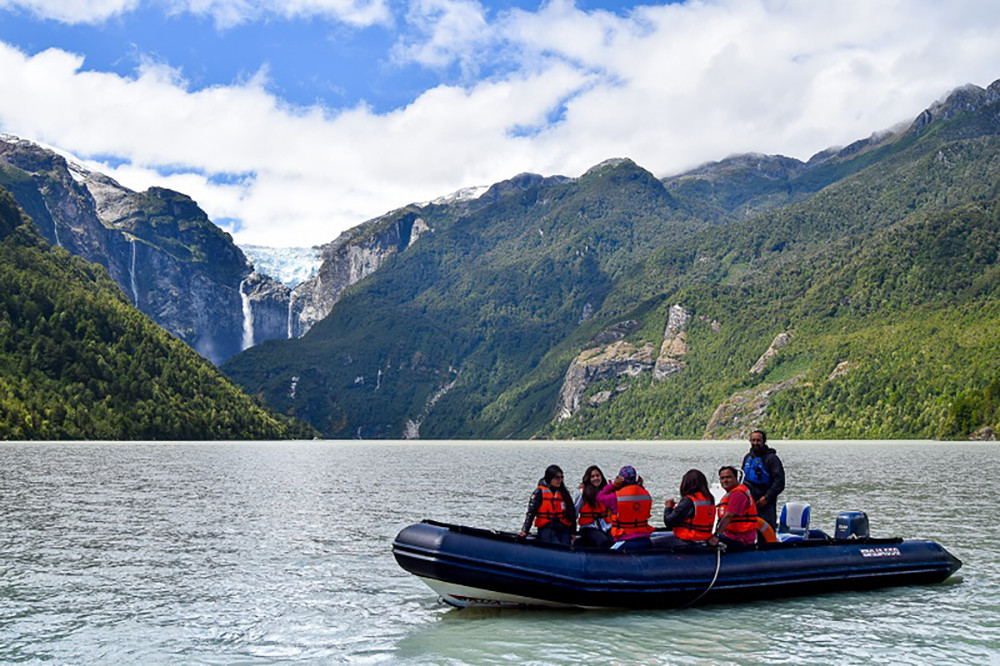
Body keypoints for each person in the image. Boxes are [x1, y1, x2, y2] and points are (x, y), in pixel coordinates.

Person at [597, 465, 653, 550]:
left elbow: (599, 497)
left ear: (621, 480)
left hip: (626, 541)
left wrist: (613, 485)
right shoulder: (646, 495)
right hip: (645, 540)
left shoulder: (616, 497)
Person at [519, 464, 576, 545]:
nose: (559, 480)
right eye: (557, 478)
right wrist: (525, 530)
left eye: (561, 477)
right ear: (550, 477)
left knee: (566, 546)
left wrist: (573, 531)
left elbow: (571, 513)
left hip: (562, 528)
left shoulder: (564, 493)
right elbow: (531, 513)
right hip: (546, 528)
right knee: (556, 545)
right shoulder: (539, 492)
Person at [741, 429, 785, 529]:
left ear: (763, 442)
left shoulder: (772, 459)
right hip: (749, 502)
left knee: (767, 529)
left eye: (758, 441)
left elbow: (779, 482)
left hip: (766, 502)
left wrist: (766, 498)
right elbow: (742, 478)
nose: (755, 443)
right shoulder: (747, 458)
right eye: (753, 440)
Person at [662, 469, 716, 545]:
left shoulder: (689, 500)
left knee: (653, 542)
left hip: (689, 539)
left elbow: (669, 522)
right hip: (705, 537)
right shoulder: (710, 499)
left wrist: (668, 507)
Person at [709, 465, 758, 548]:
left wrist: (716, 536)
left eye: (728, 477)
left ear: (736, 478)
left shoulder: (738, 494)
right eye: (722, 478)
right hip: (734, 535)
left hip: (741, 539)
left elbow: (728, 516)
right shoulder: (732, 493)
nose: (725, 480)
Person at [574, 465, 614, 548]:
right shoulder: (582, 493)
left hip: (605, 526)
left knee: (615, 540)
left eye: (598, 476)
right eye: (592, 476)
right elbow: (575, 512)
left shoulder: (606, 492)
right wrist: (571, 531)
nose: (596, 478)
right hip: (589, 527)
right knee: (603, 542)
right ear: (588, 478)